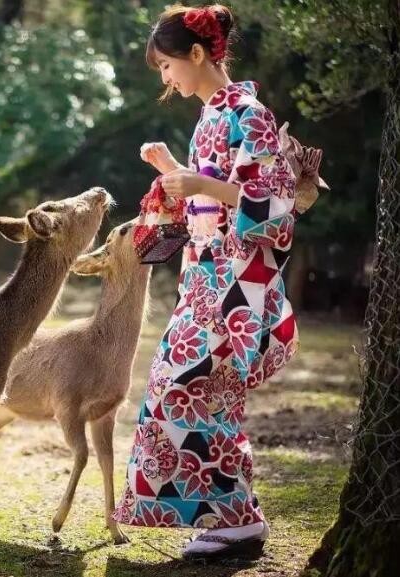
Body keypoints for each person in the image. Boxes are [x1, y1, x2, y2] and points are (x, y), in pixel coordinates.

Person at [112, 3, 299, 561]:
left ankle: (240, 520)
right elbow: (209, 196)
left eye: (167, 65)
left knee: (192, 392)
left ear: (196, 55)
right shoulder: (211, 117)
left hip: (238, 283)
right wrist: (174, 169)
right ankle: (235, 517)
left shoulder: (249, 113)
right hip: (205, 281)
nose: (165, 77)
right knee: (187, 394)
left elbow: (275, 205)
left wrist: (196, 182)